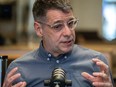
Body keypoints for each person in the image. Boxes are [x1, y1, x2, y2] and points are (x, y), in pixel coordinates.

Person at [3, 0, 114, 87]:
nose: (68, 32)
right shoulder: (18, 70)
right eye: (57, 26)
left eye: (71, 23)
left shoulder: (97, 63)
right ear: (39, 29)